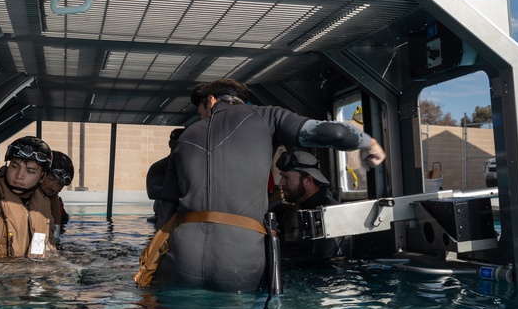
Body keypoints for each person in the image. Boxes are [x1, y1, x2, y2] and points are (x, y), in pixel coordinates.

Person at [140, 78, 385, 292]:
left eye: (200, 110)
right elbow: (330, 133)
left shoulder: (187, 135)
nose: (202, 118)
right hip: (241, 262)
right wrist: (368, 142)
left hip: (184, 259)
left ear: (211, 101)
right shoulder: (267, 116)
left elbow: (166, 211)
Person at [273, 150, 347, 262]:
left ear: (308, 181)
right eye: (282, 177)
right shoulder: (291, 210)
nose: (281, 183)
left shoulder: (329, 213)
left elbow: (324, 262)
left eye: (286, 178)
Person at [145, 127, 184, 223]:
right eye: (178, 142)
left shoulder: (193, 166)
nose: (182, 146)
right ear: (170, 143)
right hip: (165, 219)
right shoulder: (160, 166)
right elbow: (152, 191)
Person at [41, 151, 73, 240]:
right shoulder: (25, 197)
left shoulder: (58, 207)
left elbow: (56, 239)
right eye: (51, 179)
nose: (53, 187)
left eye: (60, 184)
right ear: (41, 173)